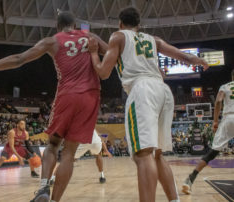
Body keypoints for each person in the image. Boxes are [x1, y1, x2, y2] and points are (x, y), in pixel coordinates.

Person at [0, 11, 107, 202]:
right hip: (91, 96)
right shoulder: (90, 37)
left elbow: (18, 59)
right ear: (75, 25)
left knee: (53, 145)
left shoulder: (52, 41)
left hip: (67, 94)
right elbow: (114, 51)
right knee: (69, 153)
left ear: (57, 26)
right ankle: (54, 200)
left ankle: (44, 189)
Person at [88, 7, 208, 202]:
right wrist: (198, 60)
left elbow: (103, 72)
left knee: (143, 155)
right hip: (163, 92)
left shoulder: (117, 36)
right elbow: (184, 56)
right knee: (158, 155)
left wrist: (93, 53)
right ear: (139, 25)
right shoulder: (153, 39)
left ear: (120, 23)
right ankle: (174, 199)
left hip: (142, 91)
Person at [182, 69, 234, 194]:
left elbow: (218, 101)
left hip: (229, 118)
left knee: (212, 153)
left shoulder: (225, 86)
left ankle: (190, 179)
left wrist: (215, 121)